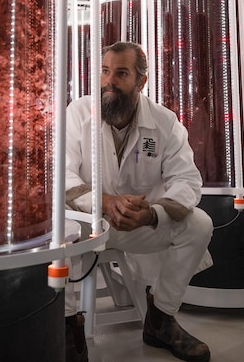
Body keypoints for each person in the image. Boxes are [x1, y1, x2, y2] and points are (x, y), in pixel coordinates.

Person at [64, 41, 214, 362]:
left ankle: (160, 319)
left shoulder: (164, 122)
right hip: (84, 225)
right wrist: (105, 203)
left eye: (121, 73)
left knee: (199, 224)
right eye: (105, 71)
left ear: (141, 81)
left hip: (135, 225)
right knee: (54, 229)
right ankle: (68, 328)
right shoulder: (79, 112)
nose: (109, 81)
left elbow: (187, 182)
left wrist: (152, 215)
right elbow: (61, 179)